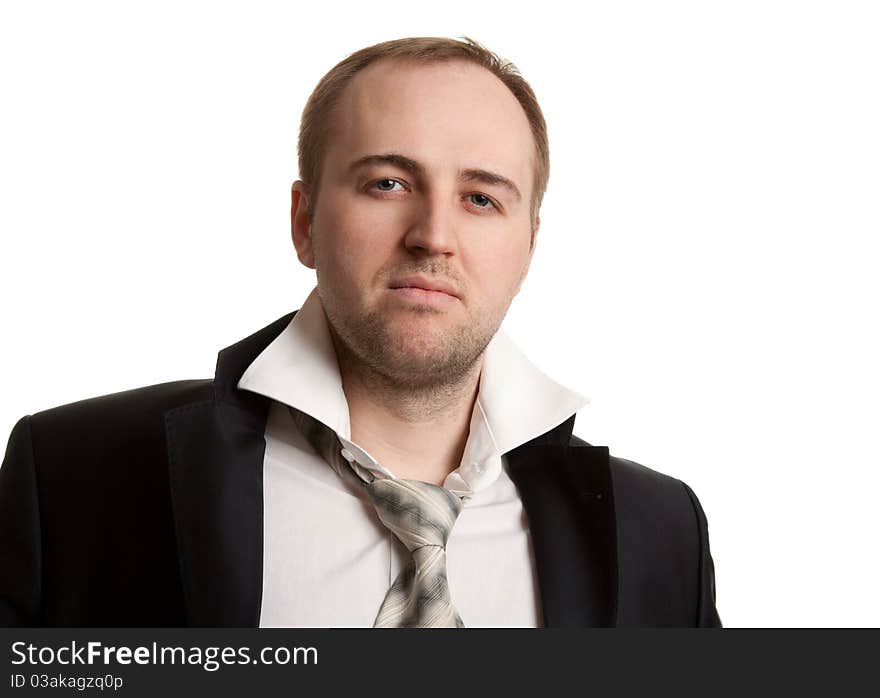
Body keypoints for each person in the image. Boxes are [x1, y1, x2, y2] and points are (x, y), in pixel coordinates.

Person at [0, 36, 721, 628]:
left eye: (480, 197)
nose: (434, 236)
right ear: (304, 222)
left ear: (528, 247)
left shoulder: (661, 532)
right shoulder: (72, 477)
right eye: (388, 183)